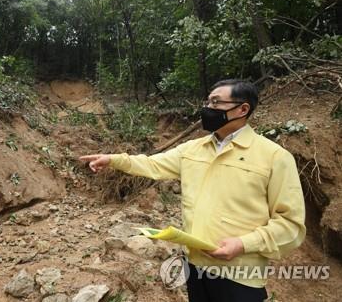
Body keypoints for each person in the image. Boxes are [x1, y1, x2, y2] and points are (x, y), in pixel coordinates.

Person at [80, 79, 306, 302]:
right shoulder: (193, 149)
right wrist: (113, 159)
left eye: (216, 103)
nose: (208, 109)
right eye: (208, 102)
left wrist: (244, 244)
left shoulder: (274, 157)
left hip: (241, 275)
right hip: (195, 267)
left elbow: (290, 224)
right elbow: (152, 164)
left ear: (242, 109)